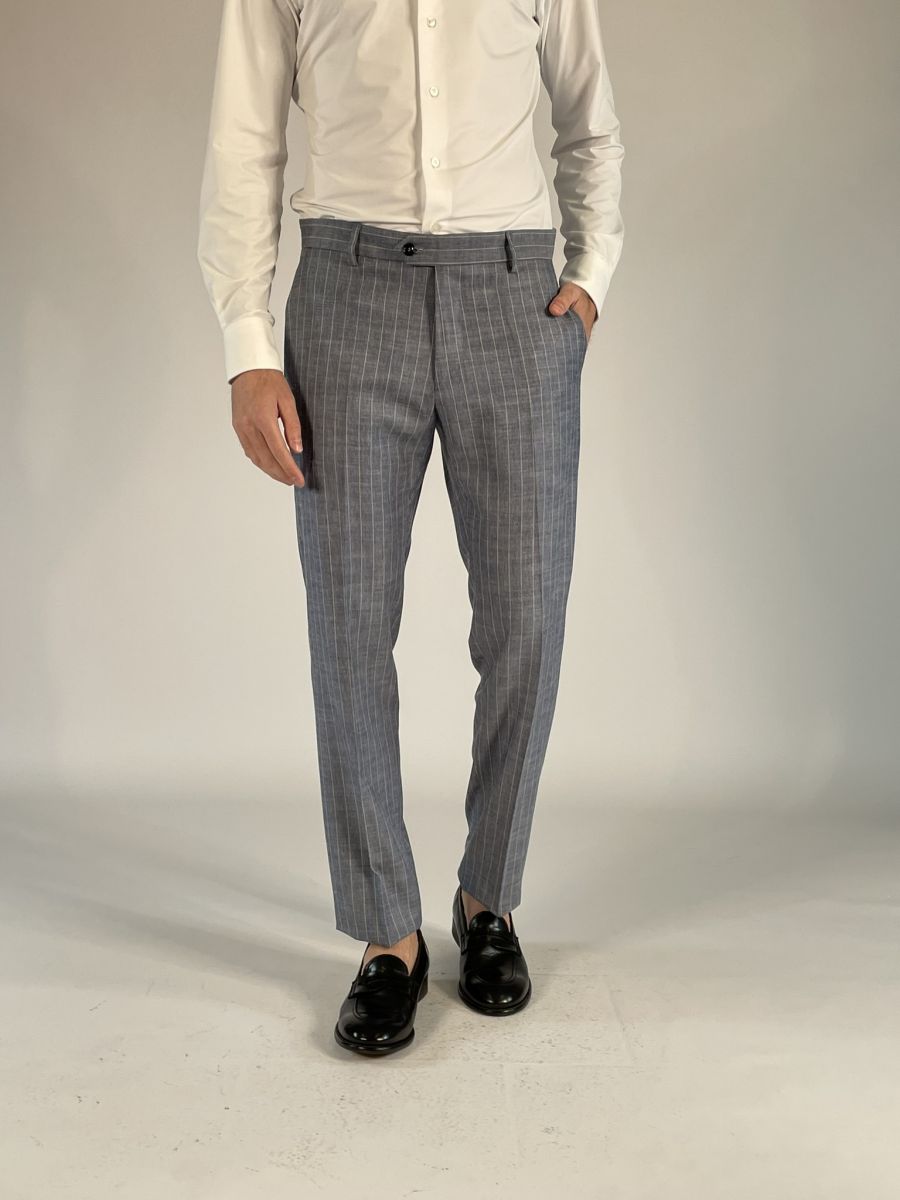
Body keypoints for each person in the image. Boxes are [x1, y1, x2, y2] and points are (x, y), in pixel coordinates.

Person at [196, 0, 624, 1056]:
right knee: (348, 627)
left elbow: (589, 120)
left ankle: (489, 899)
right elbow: (245, 139)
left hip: (514, 300)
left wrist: (591, 273)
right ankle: (388, 934)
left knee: (528, 618)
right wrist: (248, 344)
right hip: (347, 297)